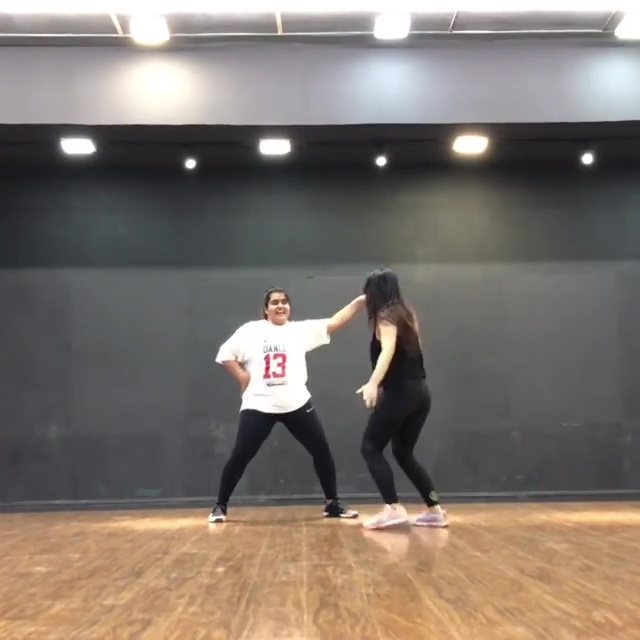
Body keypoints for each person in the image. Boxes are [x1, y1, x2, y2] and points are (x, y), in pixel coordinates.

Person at [208, 287, 364, 523]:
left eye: (284, 302)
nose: (280, 306)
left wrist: (360, 302)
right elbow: (225, 354)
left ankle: (332, 503)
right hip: (259, 405)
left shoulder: (299, 331)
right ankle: (220, 506)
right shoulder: (251, 331)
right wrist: (242, 376)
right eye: (274, 303)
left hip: (296, 403)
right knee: (240, 456)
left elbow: (333, 322)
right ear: (266, 309)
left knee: (321, 450)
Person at [356, 268, 447, 530]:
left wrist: (373, 383)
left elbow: (388, 350)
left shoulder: (384, 317)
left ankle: (392, 508)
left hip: (401, 393)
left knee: (370, 446)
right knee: (403, 452)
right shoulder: (406, 314)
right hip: (420, 392)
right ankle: (435, 510)